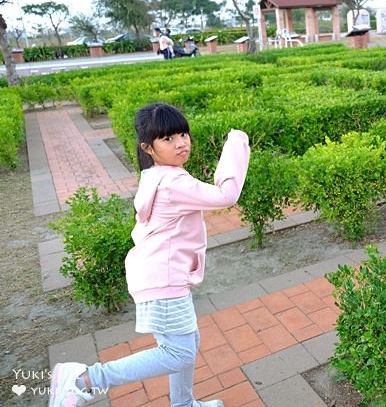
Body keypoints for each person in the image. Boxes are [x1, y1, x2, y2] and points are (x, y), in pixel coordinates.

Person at [49, 102, 251, 407]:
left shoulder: (156, 175)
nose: (181, 143)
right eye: (168, 139)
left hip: (158, 274)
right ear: (149, 147)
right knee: (178, 352)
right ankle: (84, 379)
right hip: (163, 278)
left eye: (183, 134)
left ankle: (183, 404)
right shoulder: (173, 182)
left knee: (186, 343)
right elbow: (227, 195)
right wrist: (238, 141)